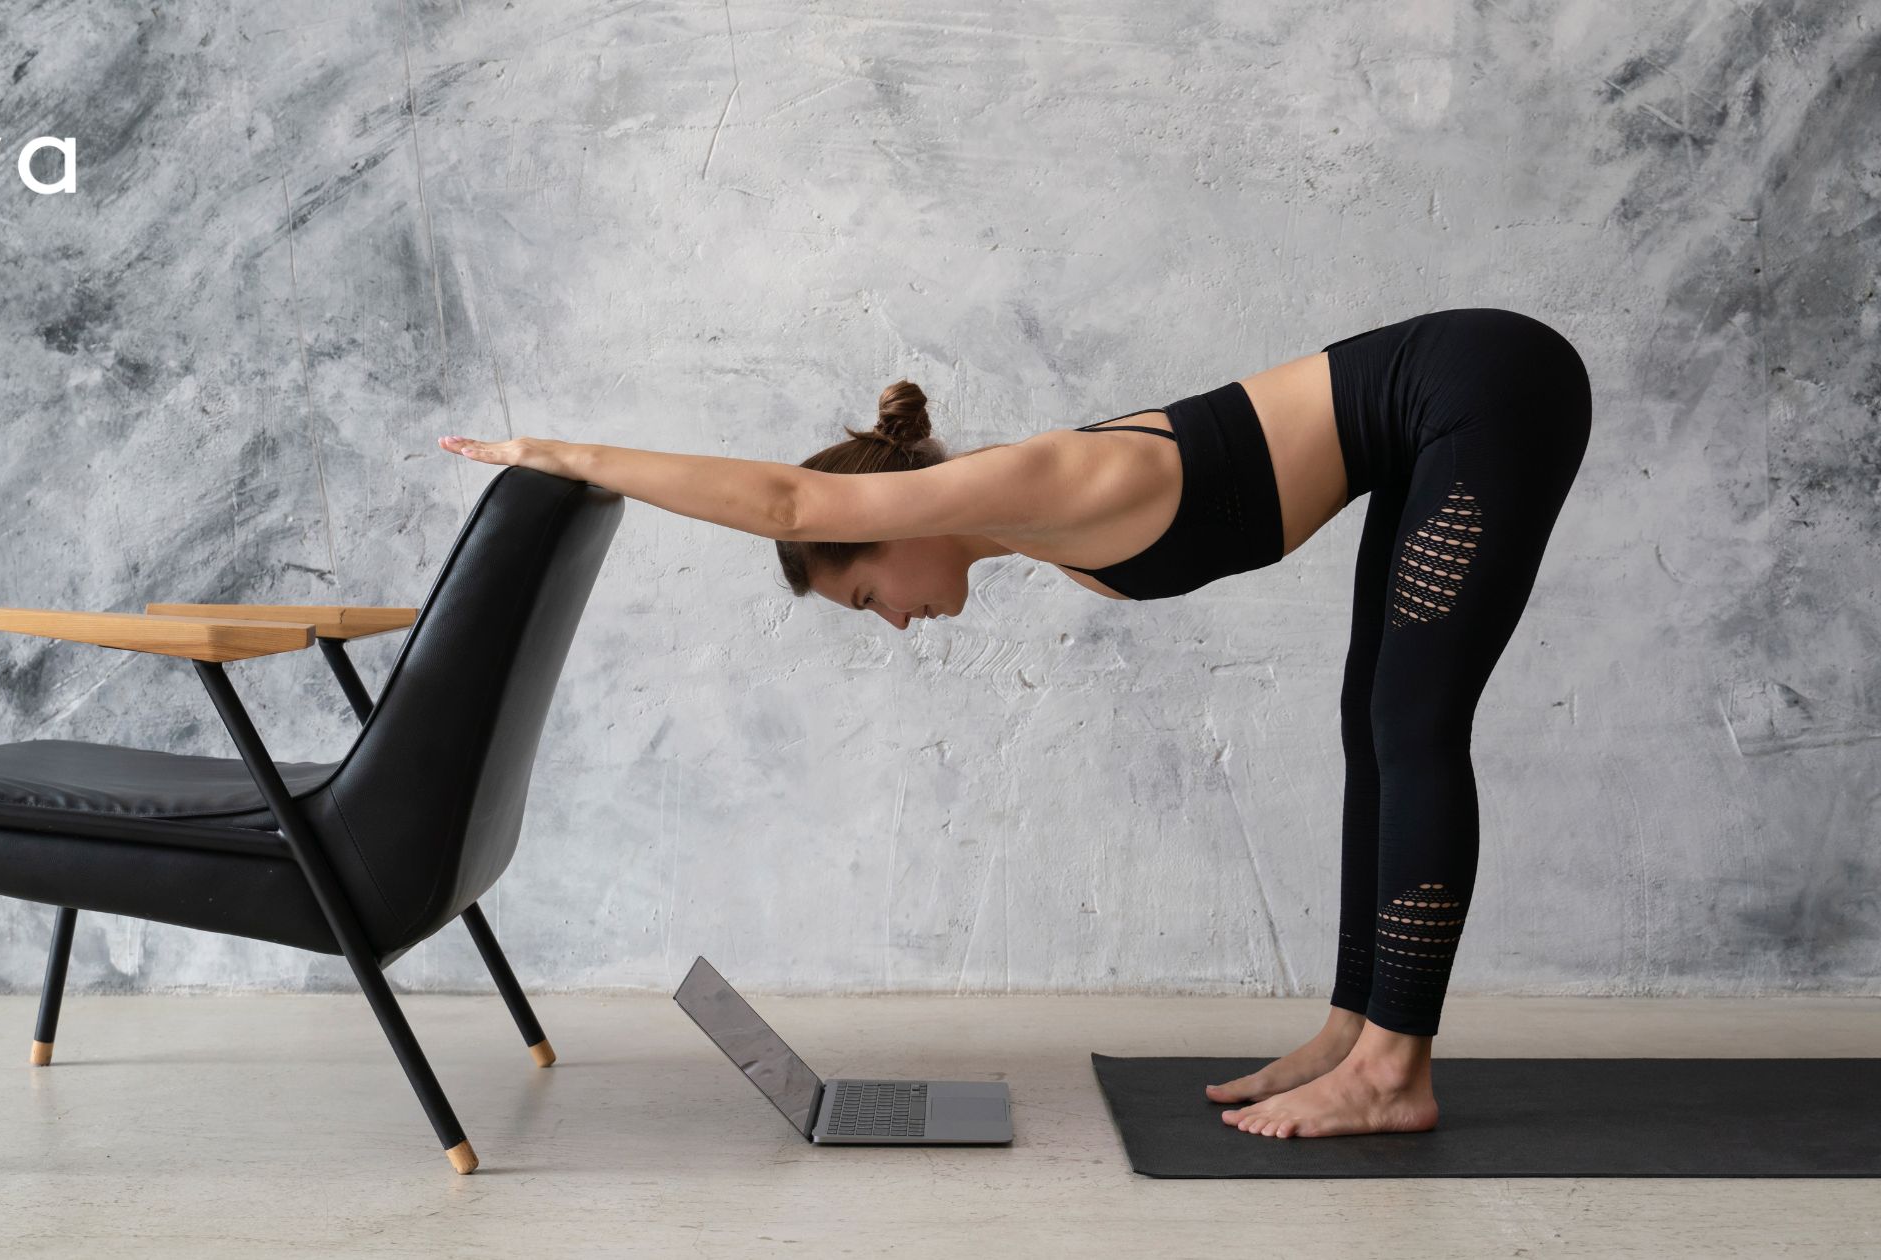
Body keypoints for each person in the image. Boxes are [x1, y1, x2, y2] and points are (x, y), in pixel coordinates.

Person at [440, 307, 1593, 1138]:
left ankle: (1395, 1069)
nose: (889, 624)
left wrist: (571, 455)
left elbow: (791, 502)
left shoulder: (1034, 483)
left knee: (1412, 722)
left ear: (885, 525)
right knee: (1372, 723)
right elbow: (819, 513)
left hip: (1487, 386)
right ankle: (1352, 1033)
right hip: (1438, 412)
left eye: (861, 596)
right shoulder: (1031, 526)